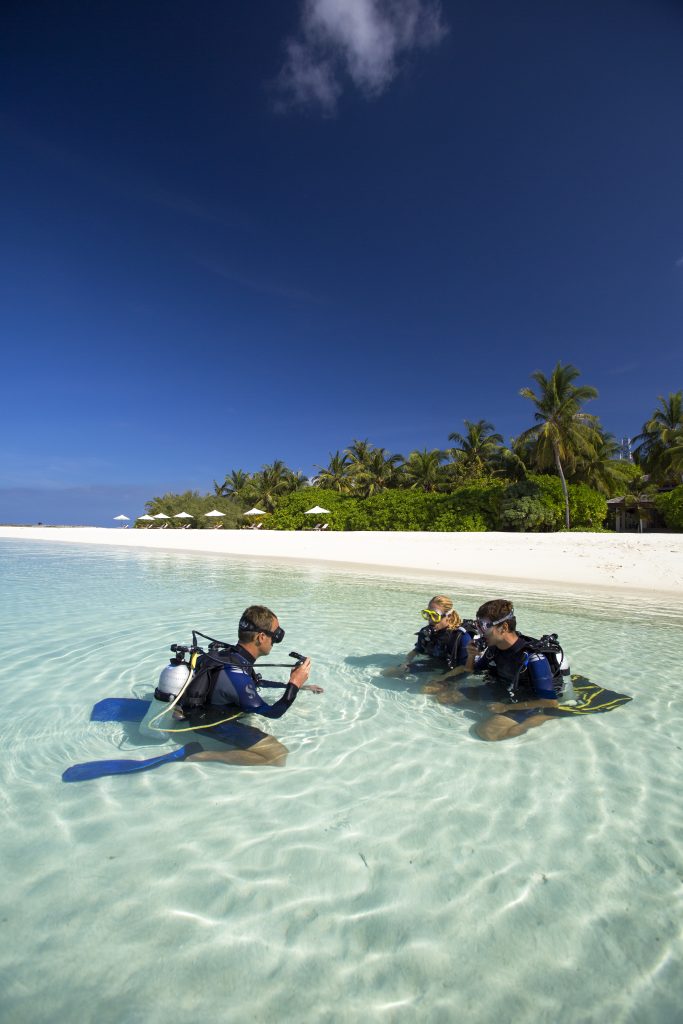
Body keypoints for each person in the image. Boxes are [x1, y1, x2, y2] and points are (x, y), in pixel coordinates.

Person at [185, 605, 321, 768]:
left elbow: (257, 682)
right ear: (261, 637)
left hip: (205, 710)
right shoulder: (237, 674)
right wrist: (294, 685)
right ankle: (204, 755)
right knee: (279, 754)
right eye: (276, 635)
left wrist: (298, 685)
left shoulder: (231, 656)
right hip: (210, 723)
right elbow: (273, 713)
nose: (275, 642)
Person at [460, 599, 564, 741]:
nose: (480, 632)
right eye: (478, 625)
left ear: (504, 627)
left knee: (487, 732)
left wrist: (506, 708)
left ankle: (539, 718)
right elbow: (470, 671)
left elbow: (551, 702)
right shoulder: (494, 648)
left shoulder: (534, 658)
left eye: (484, 626)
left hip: (528, 700)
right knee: (447, 696)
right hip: (503, 690)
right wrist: (471, 655)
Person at [384, 595, 473, 681]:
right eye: (428, 614)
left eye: (435, 615)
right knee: (388, 673)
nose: (430, 620)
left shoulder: (461, 637)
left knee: (428, 689)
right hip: (433, 665)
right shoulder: (426, 632)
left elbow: (464, 667)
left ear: (448, 616)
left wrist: (443, 677)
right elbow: (416, 650)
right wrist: (406, 662)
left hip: (454, 670)